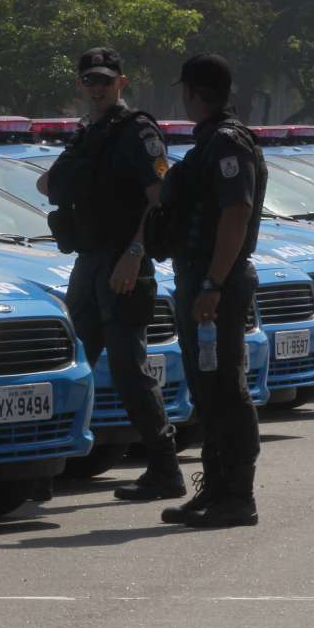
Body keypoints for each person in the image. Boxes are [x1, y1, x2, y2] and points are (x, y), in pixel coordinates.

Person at [38, 47, 185, 502]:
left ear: (122, 82)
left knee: (127, 368)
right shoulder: (88, 133)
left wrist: (136, 252)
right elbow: (47, 185)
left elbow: (159, 194)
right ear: (80, 85)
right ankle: (46, 464)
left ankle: (165, 467)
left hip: (125, 261)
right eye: (89, 81)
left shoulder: (137, 130)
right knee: (73, 364)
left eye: (105, 80)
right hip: (88, 263)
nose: (97, 88)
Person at [158, 53, 266, 528]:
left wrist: (213, 284)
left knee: (226, 388)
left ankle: (238, 496)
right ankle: (217, 486)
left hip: (214, 286)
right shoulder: (211, 141)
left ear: (194, 93)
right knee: (208, 388)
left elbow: (236, 213)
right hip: (201, 281)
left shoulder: (226, 143)